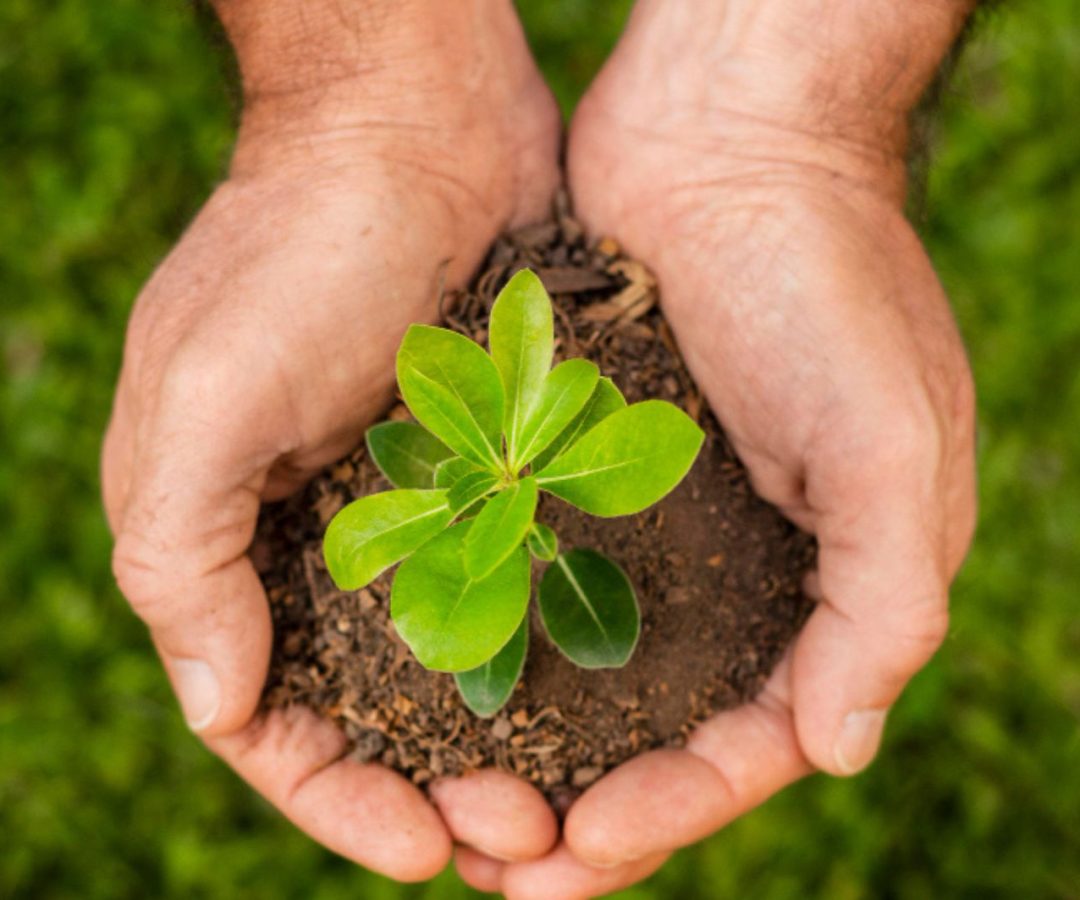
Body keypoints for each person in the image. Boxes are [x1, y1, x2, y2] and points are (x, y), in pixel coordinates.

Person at [101, 1, 978, 896]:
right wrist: (350, 106)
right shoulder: (449, 476)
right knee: (462, 550)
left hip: (526, 482)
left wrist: (792, 133)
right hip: (480, 505)